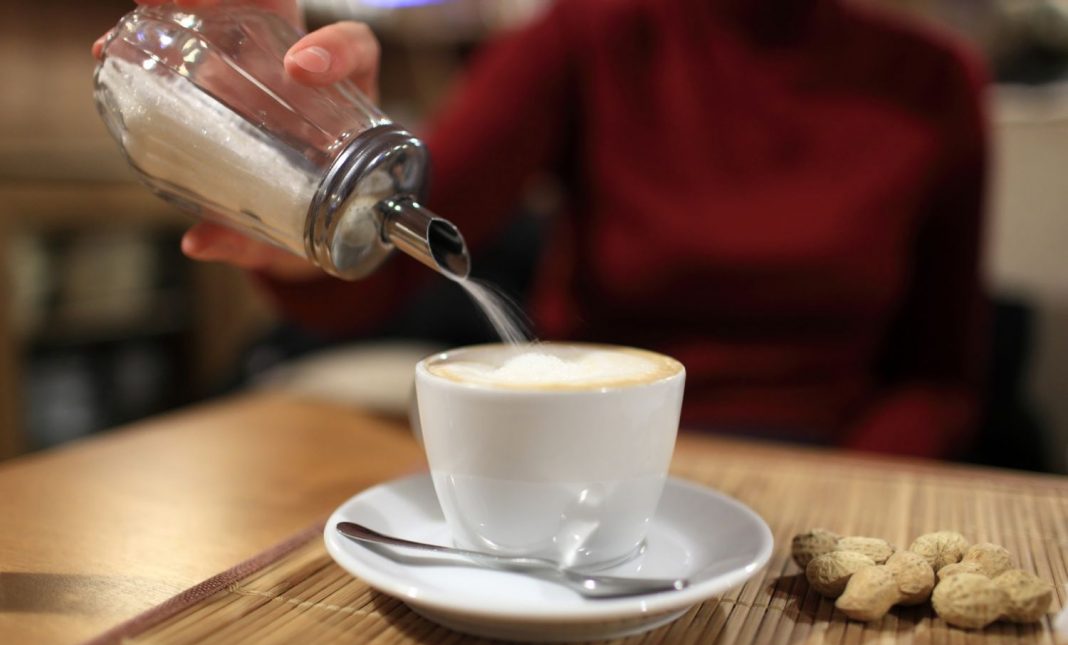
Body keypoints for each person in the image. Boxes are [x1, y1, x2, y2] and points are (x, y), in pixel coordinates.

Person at [98, 0, 990, 459]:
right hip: (587, 454)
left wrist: (845, 503)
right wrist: (291, 199)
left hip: (822, 463)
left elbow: (940, 374)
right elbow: (401, 260)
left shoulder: (934, 84)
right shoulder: (594, 35)